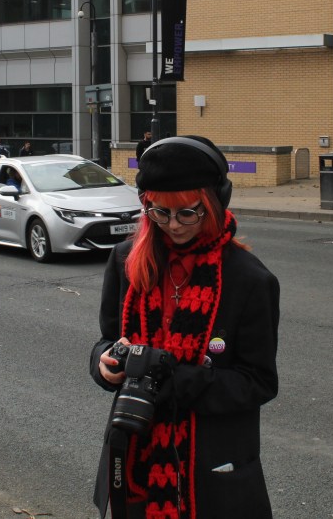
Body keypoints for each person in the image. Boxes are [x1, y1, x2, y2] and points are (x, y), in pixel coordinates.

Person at [89, 135, 280, 519]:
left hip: (211, 469)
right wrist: (104, 362)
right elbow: (108, 339)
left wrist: (176, 380)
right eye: (159, 213)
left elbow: (259, 381)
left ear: (213, 202)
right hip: (137, 457)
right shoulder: (127, 260)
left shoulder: (249, 280)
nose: (172, 225)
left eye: (186, 213)